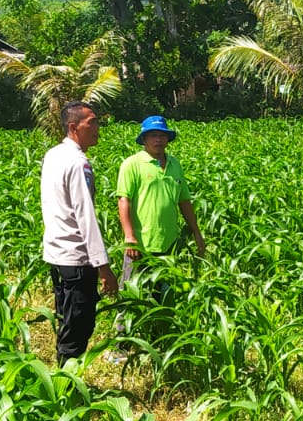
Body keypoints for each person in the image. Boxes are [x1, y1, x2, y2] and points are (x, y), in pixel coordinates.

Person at [41, 101, 117, 364]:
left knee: (67, 318)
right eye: (91, 122)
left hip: (56, 254)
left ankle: (64, 382)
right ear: (74, 127)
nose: (97, 127)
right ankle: (67, 389)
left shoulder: (53, 155)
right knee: (79, 326)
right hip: (76, 258)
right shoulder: (77, 163)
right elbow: (85, 217)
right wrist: (103, 266)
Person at [116, 115, 206, 305]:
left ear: (168, 139)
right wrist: (130, 237)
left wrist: (196, 232)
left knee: (163, 297)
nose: (158, 139)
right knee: (132, 296)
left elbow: (184, 201)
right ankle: (123, 334)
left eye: (162, 135)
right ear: (144, 139)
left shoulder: (175, 164)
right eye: (153, 135)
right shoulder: (132, 164)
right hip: (140, 246)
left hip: (168, 245)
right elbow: (124, 200)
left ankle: (158, 333)